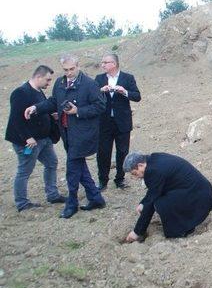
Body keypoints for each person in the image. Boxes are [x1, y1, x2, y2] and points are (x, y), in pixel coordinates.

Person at [25, 55, 107, 219]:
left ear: (78, 66)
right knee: (79, 166)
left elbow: (100, 106)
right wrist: (36, 107)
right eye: (66, 70)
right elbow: (53, 102)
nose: (69, 73)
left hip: (83, 134)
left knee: (72, 169)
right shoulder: (60, 83)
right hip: (67, 133)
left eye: (72, 69)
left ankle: (72, 204)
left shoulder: (90, 84)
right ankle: (96, 198)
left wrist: (79, 111)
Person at [5, 65, 66, 212]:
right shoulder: (20, 93)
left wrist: (52, 117)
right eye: (47, 79)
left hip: (44, 139)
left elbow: (40, 111)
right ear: (38, 77)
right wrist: (27, 137)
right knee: (25, 170)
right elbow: (15, 119)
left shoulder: (39, 91)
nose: (49, 83)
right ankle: (22, 203)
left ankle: (52, 195)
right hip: (28, 142)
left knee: (51, 163)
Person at [122, 152, 212, 242]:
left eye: (135, 173)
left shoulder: (153, 171)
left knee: (161, 204)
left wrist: (137, 232)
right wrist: (143, 203)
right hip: (199, 189)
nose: (136, 177)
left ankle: (182, 230)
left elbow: (152, 200)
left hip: (196, 194)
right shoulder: (153, 159)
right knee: (158, 200)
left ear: (140, 165)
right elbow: (153, 190)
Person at [95, 53, 141, 190]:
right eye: (102, 62)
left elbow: (137, 96)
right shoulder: (99, 79)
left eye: (105, 62)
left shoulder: (127, 78)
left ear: (114, 64)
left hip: (123, 122)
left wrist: (125, 91)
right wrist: (101, 90)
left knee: (122, 152)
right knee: (103, 152)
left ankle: (120, 179)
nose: (102, 65)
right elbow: (90, 96)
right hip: (104, 122)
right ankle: (102, 181)